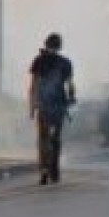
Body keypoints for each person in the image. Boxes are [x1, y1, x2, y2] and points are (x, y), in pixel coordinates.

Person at [28, 33, 75, 185]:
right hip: (53, 105)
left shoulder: (40, 60)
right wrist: (71, 98)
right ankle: (50, 170)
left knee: (46, 139)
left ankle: (46, 170)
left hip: (50, 105)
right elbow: (70, 85)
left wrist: (32, 105)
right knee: (51, 139)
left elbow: (34, 85)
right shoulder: (63, 62)